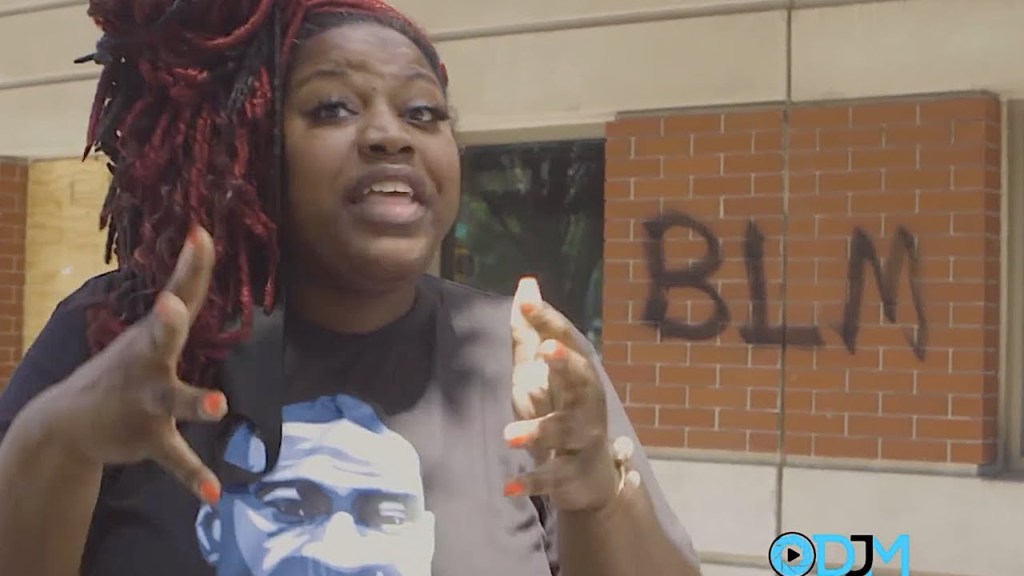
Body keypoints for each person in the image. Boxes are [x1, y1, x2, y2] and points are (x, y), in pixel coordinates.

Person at [0, 1, 701, 575]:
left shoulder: (520, 361)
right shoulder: (122, 338)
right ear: (251, 144)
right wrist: (60, 444)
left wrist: (600, 498)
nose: (391, 135)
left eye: (423, 112)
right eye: (334, 107)